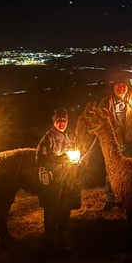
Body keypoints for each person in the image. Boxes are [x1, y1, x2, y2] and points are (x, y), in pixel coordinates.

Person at [99, 77, 132, 209]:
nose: (121, 88)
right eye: (118, 85)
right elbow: (97, 118)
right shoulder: (106, 102)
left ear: (127, 88)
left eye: (124, 85)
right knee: (111, 172)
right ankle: (110, 199)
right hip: (113, 144)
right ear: (114, 87)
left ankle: (129, 198)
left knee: (130, 172)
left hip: (129, 142)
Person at [36, 106, 82, 253]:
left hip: (67, 179)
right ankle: (49, 246)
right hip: (52, 182)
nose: (61, 123)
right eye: (59, 120)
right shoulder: (48, 137)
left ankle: (62, 244)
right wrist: (57, 160)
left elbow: (77, 151)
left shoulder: (71, 136)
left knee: (65, 212)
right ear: (54, 121)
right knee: (51, 213)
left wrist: (77, 161)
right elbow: (40, 158)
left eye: (64, 120)